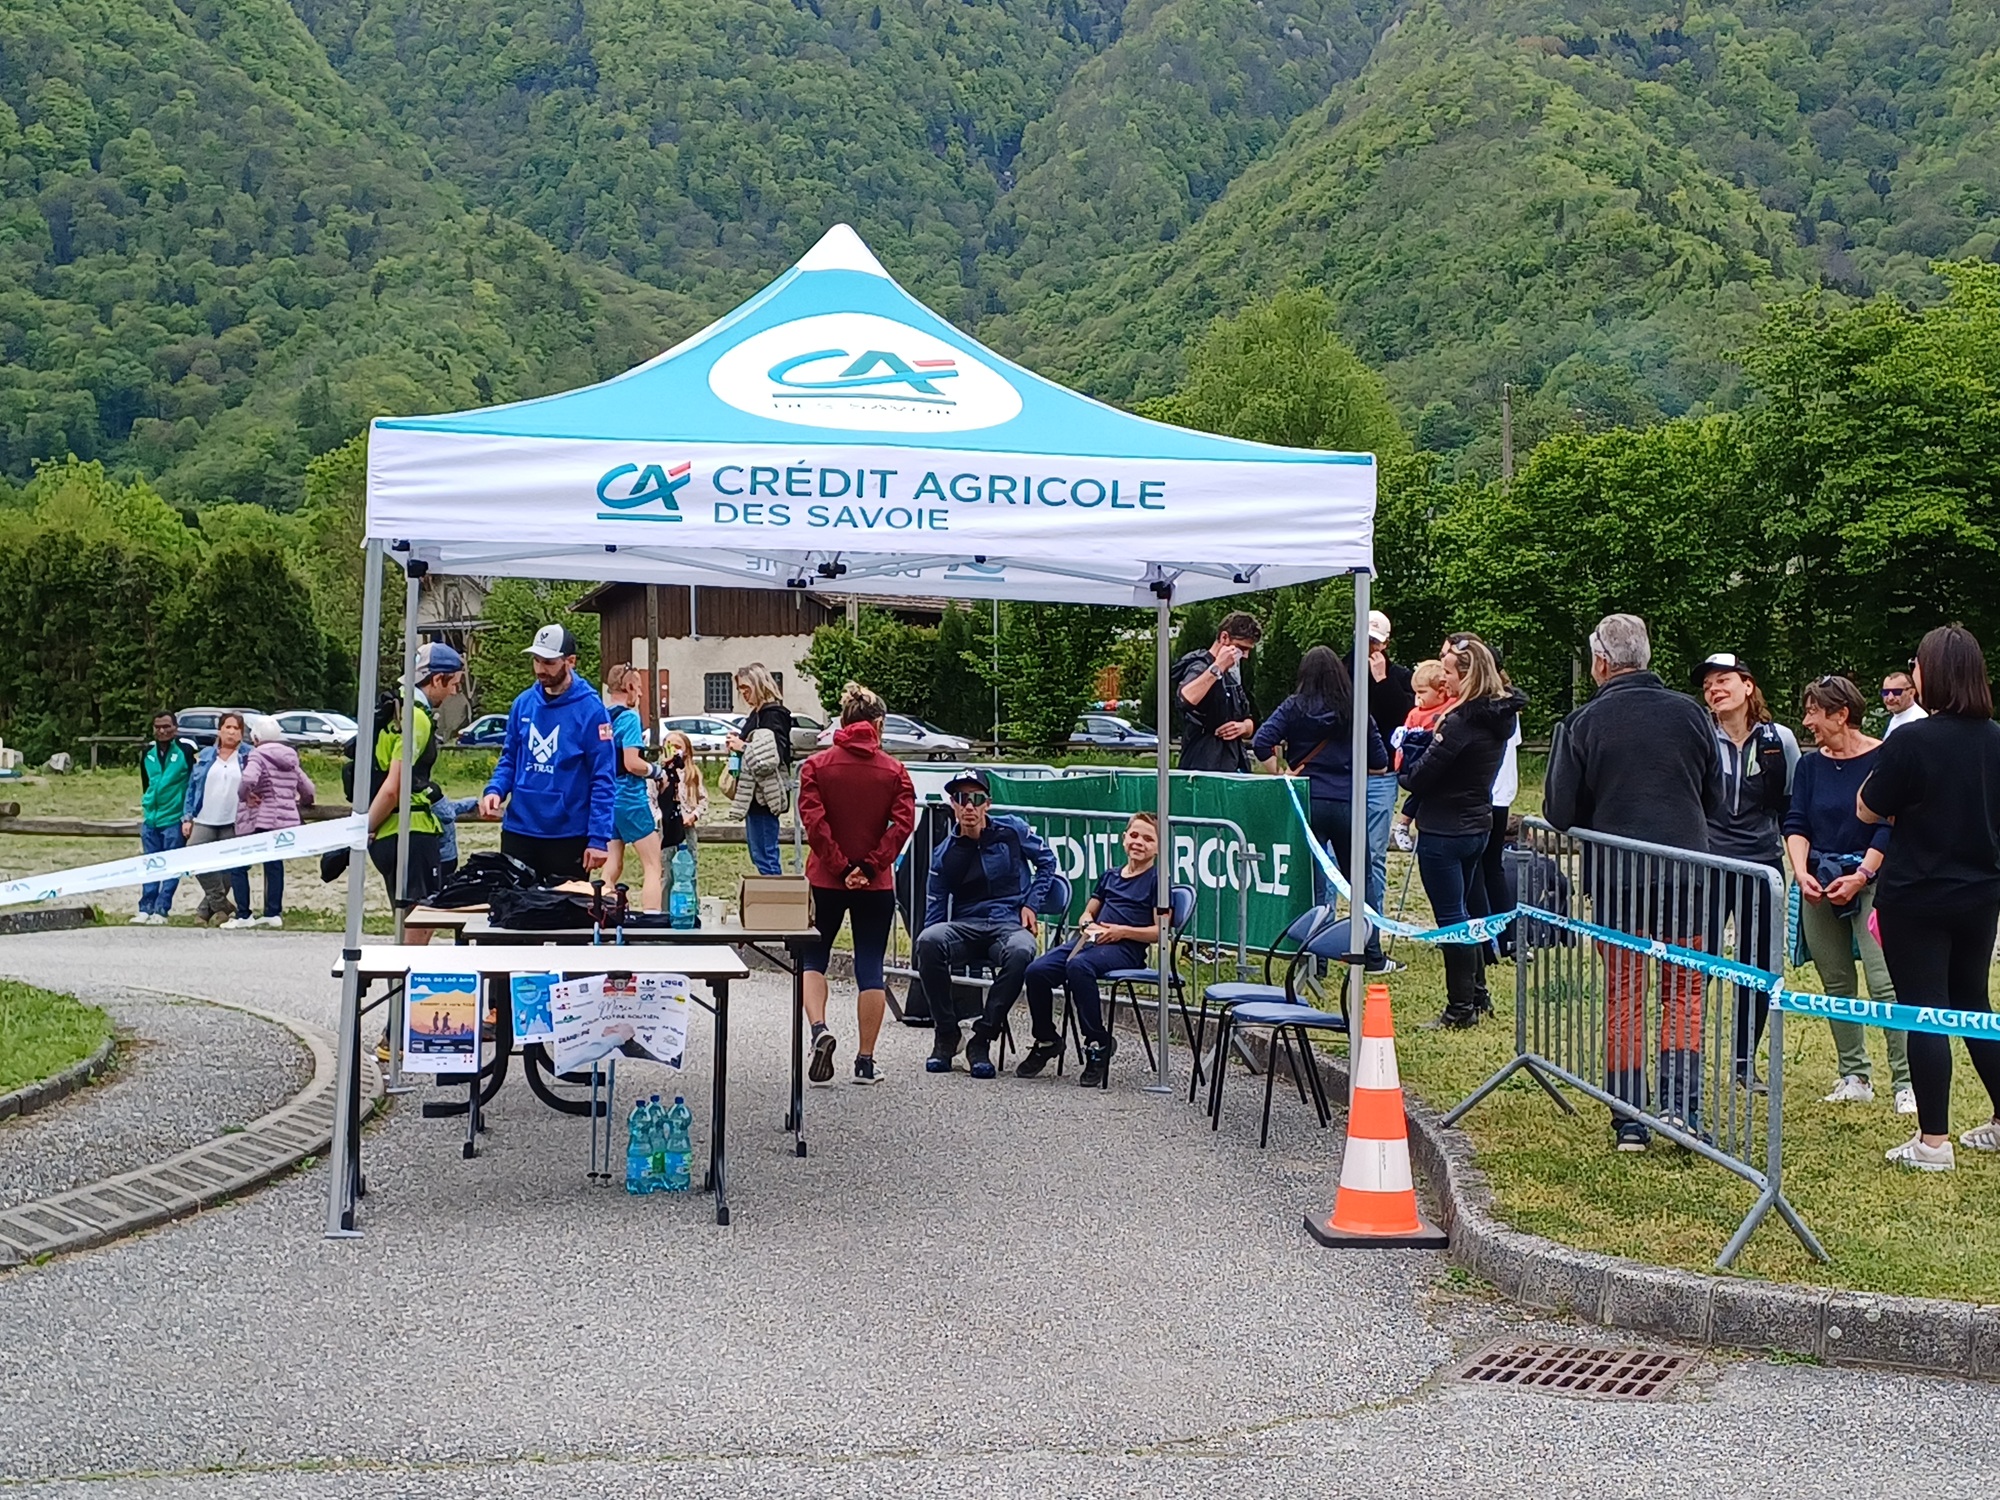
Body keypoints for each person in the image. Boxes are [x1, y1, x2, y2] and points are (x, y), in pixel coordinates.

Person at [1543, 613, 1720, 1150]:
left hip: (1618, 880)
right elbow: (1713, 797)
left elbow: (1557, 811)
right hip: (1687, 876)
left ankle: (1629, 1120)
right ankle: (1681, 1109)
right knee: (1684, 992)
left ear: (1600, 661)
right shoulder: (1692, 714)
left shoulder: (1582, 723)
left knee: (1624, 995)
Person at [1859, 625, 2000, 1171]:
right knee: (1974, 1005)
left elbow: (1868, 808)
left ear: (1933, 673)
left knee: (1925, 1011)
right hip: (1981, 894)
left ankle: (1933, 1142)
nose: (1912, 674)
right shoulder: (1994, 738)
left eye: (1916, 665)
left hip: (1916, 895)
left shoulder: (1911, 741)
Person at [1783, 674, 1910, 1110]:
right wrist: (1801, 872)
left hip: (1874, 879)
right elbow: (1796, 821)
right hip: (1820, 880)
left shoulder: (1885, 756)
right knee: (1836, 982)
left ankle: (1906, 1082)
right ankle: (1853, 1075)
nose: (1807, 722)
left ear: (1841, 714)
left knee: (1885, 983)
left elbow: (1889, 823)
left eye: (1814, 712)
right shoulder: (1809, 766)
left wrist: (1862, 876)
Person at [1397, 637, 1524, 1029]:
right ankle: (1478, 994)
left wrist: (1411, 755)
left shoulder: (1459, 722)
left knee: (1452, 919)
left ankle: (1459, 1009)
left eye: (1449, 672)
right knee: (1469, 914)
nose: (1444, 679)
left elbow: (1418, 778)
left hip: (1444, 830)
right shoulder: (1499, 717)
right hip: (1477, 823)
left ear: (1467, 675)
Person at [796, 682, 916, 1085]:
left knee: (814, 959)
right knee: (870, 966)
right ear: (878, 724)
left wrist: (840, 864)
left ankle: (819, 1030)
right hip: (876, 882)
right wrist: (869, 864)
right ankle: (865, 1061)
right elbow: (902, 826)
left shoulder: (815, 766)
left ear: (842, 722)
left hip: (826, 878)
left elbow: (814, 823)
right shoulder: (895, 771)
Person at [913, 768, 1058, 1078]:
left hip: (1008, 922)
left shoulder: (1013, 830)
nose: (969, 806)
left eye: (976, 799)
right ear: (952, 803)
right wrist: (928, 947)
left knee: (1021, 950)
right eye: (962, 798)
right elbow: (935, 910)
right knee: (928, 940)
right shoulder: (943, 854)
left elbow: (1047, 863)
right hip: (966, 926)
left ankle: (982, 1039)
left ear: (987, 804)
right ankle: (947, 1034)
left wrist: (1032, 904)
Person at [1697, 653, 1800, 1087]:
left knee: (1756, 966)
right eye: (1707, 686)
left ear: (1748, 686)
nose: (1714, 690)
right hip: (1706, 862)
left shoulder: (1781, 740)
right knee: (1695, 962)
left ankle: (1744, 1062)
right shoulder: (1698, 735)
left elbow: (1791, 803)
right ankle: (1688, 1057)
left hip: (1761, 864)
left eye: (1723, 681)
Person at [1252, 645, 1390, 966]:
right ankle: (1370, 952)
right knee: (1360, 881)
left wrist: (1282, 772)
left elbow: (1261, 741)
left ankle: (1315, 956)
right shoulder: (1356, 710)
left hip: (1307, 801)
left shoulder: (1293, 707)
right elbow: (1380, 763)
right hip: (1346, 802)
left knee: (1313, 883)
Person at [1020, 812, 1162, 1088]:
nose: (1139, 843)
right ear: (1124, 839)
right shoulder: (1110, 875)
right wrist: (1087, 923)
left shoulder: (1158, 881)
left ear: (1158, 847)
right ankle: (1047, 1038)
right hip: (1093, 940)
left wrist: (1120, 932)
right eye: (1134, 835)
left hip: (1127, 948)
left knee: (1079, 967)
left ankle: (1097, 1041)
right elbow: (1088, 911)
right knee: (1037, 971)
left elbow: (1159, 932)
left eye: (1148, 839)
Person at [478, 624, 616, 882]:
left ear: (570, 661)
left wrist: (598, 838)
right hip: (519, 829)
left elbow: (603, 777)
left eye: (549, 662)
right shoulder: (523, 703)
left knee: (564, 917)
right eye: (536, 661)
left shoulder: (592, 710)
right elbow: (509, 757)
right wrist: (495, 790)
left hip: (567, 835)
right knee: (513, 909)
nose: (541, 669)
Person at [367, 640, 466, 941]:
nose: (453, 693)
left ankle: (399, 986)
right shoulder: (417, 718)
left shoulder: (392, 709)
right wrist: (364, 828)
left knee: (404, 927)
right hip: (411, 831)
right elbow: (394, 786)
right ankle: (405, 988)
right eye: (454, 684)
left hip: (388, 833)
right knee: (418, 933)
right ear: (437, 679)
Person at [1357, 611, 1415, 955]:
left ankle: (1372, 933)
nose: (1369, 647)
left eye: (1375, 642)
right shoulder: (1343, 669)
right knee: (1333, 857)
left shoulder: (1399, 676)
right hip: (1346, 774)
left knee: (1374, 856)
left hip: (1382, 776)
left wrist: (1381, 681)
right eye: (1364, 640)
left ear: (1385, 643)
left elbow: (1404, 720)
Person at [229, 715, 315, 929]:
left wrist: (244, 796)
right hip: (285, 821)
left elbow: (248, 779)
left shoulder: (257, 755)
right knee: (274, 865)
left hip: (262, 818)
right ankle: (273, 913)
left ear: (256, 737)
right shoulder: (291, 757)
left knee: (239, 865)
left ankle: (243, 914)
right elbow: (308, 789)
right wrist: (303, 801)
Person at [602, 664, 671, 911]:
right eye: (639, 688)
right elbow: (631, 763)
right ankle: (651, 923)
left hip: (607, 798)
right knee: (653, 865)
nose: (641, 694)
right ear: (629, 687)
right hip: (629, 797)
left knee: (612, 865)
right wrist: (657, 771)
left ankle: (603, 913)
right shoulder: (629, 718)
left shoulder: (603, 717)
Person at [181, 712, 250, 927]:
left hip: (235, 819)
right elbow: (193, 787)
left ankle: (205, 911)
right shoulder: (206, 754)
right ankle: (221, 905)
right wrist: (187, 816)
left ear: (241, 733)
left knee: (231, 866)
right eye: (227, 727)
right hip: (205, 816)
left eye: (236, 728)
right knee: (194, 855)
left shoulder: (249, 755)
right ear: (219, 730)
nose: (231, 732)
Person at [1171, 611, 1261, 772]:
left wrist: (1243, 727)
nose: (1245, 656)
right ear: (1224, 638)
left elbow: (1249, 719)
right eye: (1240, 648)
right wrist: (1217, 667)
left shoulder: (1232, 673)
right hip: (1202, 765)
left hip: (1234, 763)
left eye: (1248, 650)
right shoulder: (1199, 666)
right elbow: (1185, 698)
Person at [727, 663, 793, 875]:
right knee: (760, 854)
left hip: (765, 795)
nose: (744, 694)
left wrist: (743, 746)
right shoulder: (757, 714)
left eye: (747, 688)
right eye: (741, 690)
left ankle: (775, 902)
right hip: (754, 793)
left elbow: (775, 755)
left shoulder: (773, 715)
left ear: (759, 684)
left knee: (766, 855)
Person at [133, 711, 196, 924]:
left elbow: (193, 783)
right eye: (158, 726)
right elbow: (147, 783)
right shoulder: (148, 753)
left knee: (171, 865)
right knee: (150, 864)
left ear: (175, 728)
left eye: (166, 726)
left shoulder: (186, 750)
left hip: (174, 817)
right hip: (152, 818)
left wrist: (188, 815)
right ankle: (145, 907)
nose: (162, 730)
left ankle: (161, 909)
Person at [1390, 659, 1449, 851]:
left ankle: (1405, 823)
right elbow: (1403, 742)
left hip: (1439, 765)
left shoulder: (1448, 709)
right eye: (1415, 692)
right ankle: (1403, 824)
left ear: (1441, 691)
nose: (1417, 698)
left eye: (1422, 692)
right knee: (1419, 792)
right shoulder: (1414, 714)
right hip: (1417, 763)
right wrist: (1399, 763)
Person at [1880, 668, 1927, 736]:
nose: (1890, 698)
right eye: (1886, 692)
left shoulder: (1918, 721)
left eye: (1897, 692)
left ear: (1911, 693)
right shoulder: (1895, 716)